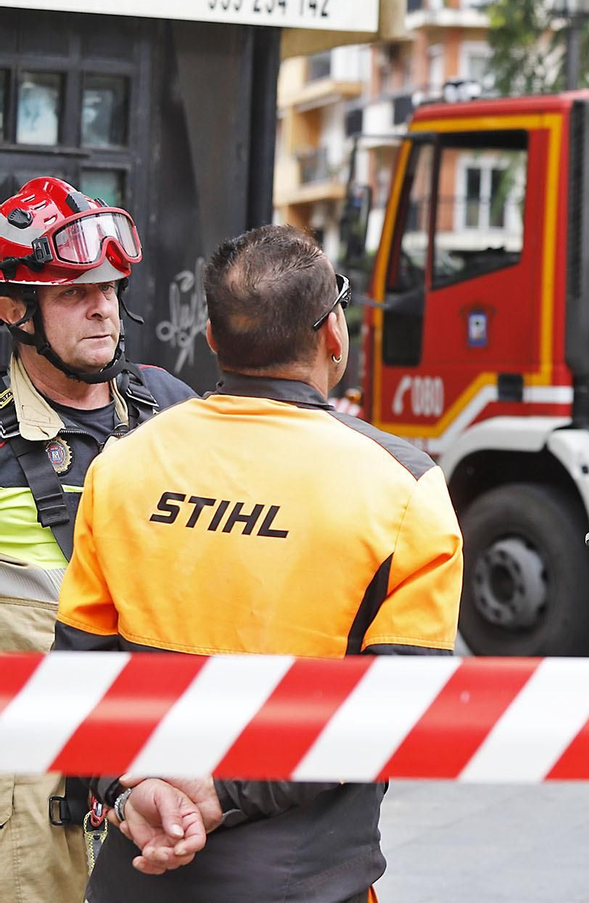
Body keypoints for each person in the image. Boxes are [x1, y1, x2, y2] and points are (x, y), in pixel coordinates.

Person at [53, 224, 464, 903]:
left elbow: (75, 684)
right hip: (305, 883)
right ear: (335, 333)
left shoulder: (121, 468)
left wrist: (130, 793)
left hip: (136, 873)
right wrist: (221, 791)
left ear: (212, 339)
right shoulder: (403, 487)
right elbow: (396, 710)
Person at [0, 176, 194, 903]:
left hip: (163, 769)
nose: (103, 307)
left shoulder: (171, 408)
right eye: (74, 293)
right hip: (28, 797)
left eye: (110, 287)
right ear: (13, 309)